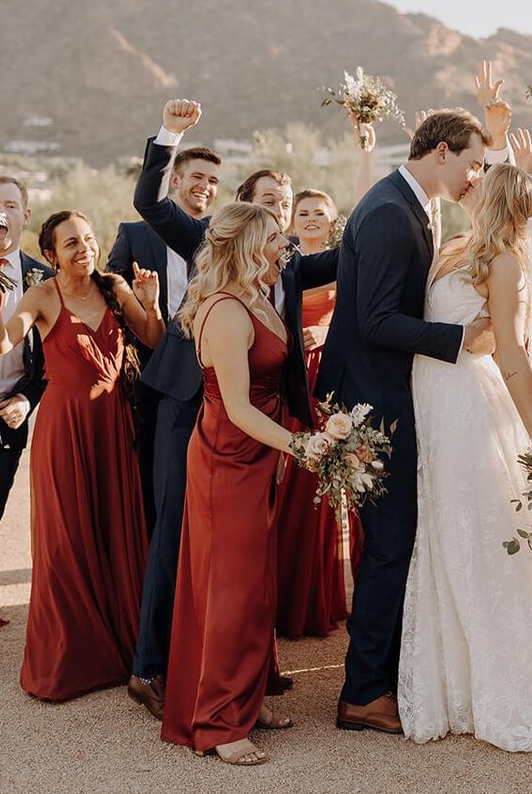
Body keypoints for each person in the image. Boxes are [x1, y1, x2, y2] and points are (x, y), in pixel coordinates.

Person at [128, 100, 338, 719]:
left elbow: (354, 256)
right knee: (177, 534)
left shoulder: (291, 264)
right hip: (187, 404)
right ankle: (150, 666)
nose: (281, 207)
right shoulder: (206, 239)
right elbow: (149, 201)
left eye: (287, 197)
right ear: (248, 205)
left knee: (246, 552)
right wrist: (171, 135)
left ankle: (245, 672)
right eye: (270, 198)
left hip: (255, 425)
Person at [399, 163, 532, 750]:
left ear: (494, 197)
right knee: (444, 532)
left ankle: (508, 686)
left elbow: (513, 356)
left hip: (469, 403)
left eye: (479, 180)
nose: (467, 182)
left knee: (475, 532)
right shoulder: (450, 245)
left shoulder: (504, 263)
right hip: (432, 398)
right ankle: (455, 681)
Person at [317, 110, 496, 735]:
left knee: (392, 543)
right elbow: (375, 321)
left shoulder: (410, 201)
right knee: (390, 545)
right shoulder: (393, 213)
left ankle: (381, 674)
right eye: (473, 162)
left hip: (386, 395)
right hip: (375, 405)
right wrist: (460, 335)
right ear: (442, 152)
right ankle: (363, 692)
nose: (475, 175)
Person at [0, 210, 162, 700]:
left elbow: (153, 339)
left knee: (118, 530)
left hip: (116, 424)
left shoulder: (115, 286)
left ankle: (126, 650)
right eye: (71, 243)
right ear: (50, 255)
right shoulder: (41, 294)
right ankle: (71, 660)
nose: (84, 248)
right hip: (66, 431)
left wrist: (151, 303)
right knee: (67, 540)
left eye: (87, 238)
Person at [160, 204, 319, 766]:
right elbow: (236, 409)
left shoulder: (260, 297)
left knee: (256, 582)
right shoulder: (226, 311)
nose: (287, 246)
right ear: (250, 246)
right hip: (229, 456)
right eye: (277, 238)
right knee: (230, 586)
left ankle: (249, 697)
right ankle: (218, 721)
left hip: (260, 453)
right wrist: (299, 445)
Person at [275, 126, 375, 638]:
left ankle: (346, 595)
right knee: (301, 482)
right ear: (292, 221)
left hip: (334, 379)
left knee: (349, 484)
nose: (310, 218)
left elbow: (364, 216)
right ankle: (299, 597)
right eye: (303, 213)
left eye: (319, 212)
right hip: (296, 380)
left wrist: (363, 153)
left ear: (333, 221)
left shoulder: (342, 263)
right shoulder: (284, 263)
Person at [107, 144, 222, 530]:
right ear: (174, 180)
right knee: (150, 486)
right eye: (197, 177)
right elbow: (110, 299)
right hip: (148, 381)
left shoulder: (219, 240)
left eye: (213, 180)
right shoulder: (135, 234)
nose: (205, 186)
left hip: (206, 383)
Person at [0, 176, 50, 635]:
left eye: (11, 204)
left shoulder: (42, 280)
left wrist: (27, 398)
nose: (2, 213)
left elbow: (49, 363)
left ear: (25, 214)